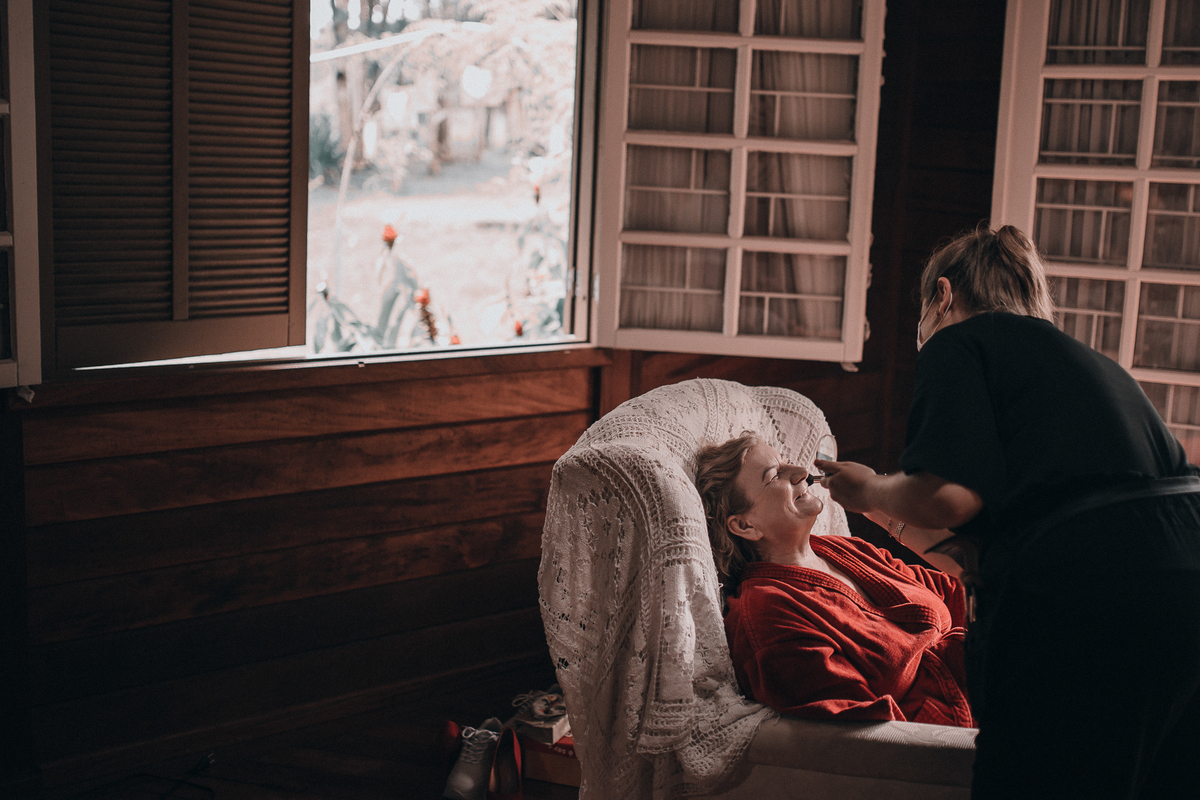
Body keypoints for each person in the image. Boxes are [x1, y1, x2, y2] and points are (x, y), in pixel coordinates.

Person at [818, 224, 1200, 799]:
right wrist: (888, 519)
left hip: (1098, 584)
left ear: (942, 297)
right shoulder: (1084, 366)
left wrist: (870, 489)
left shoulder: (960, 342)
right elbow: (977, 542)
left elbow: (951, 497)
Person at [694, 432, 975, 728]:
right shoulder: (769, 613)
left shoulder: (842, 549)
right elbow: (869, 739)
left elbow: (956, 589)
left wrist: (881, 503)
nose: (802, 472)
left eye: (788, 462)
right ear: (744, 525)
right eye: (775, 474)